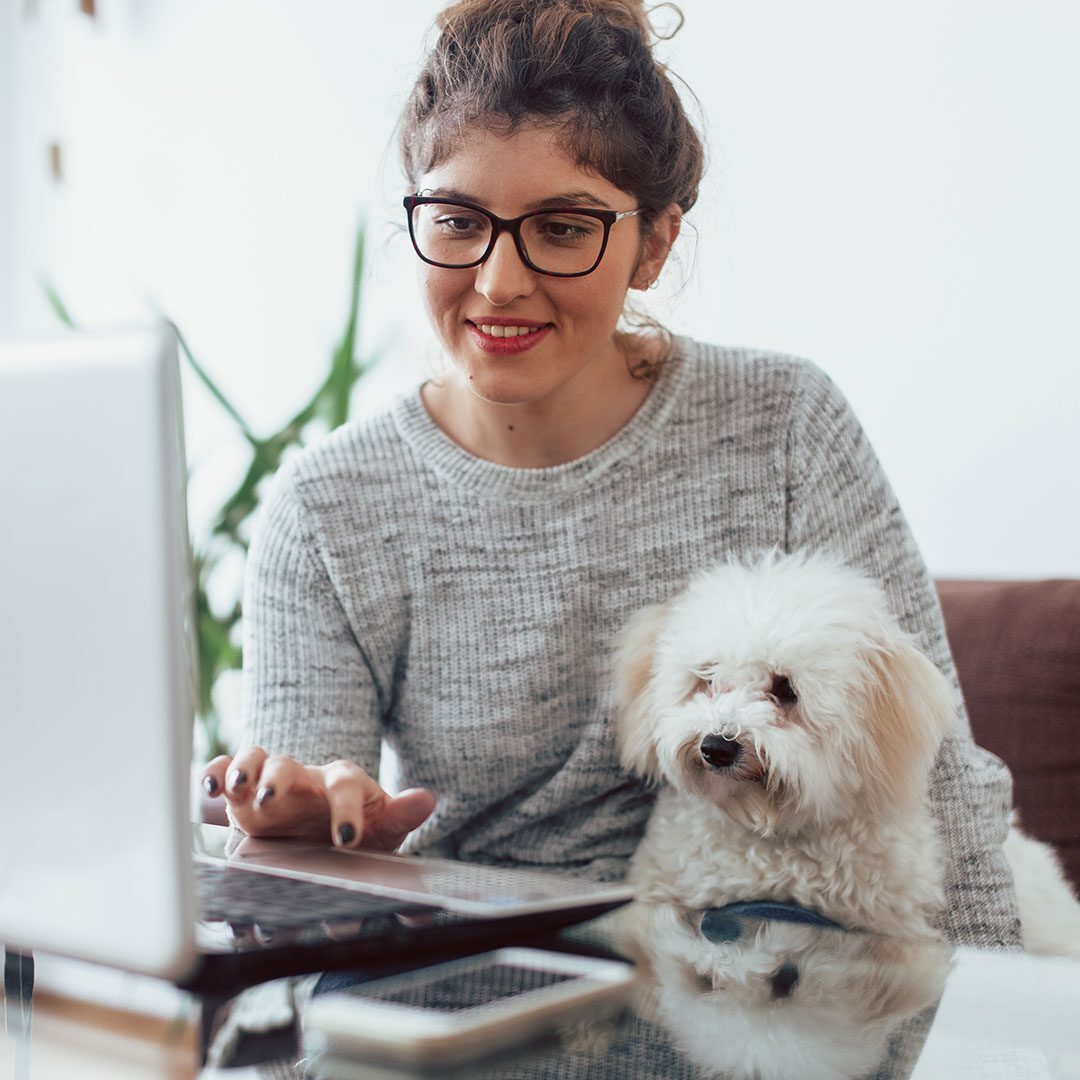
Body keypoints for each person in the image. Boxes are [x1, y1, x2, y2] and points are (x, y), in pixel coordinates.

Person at [202, 0, 1020, 985]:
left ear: (655, 243)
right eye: (457, 220)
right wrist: (317, 844)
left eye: (562, 227)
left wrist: (1001, 1037)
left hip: (764, 1000)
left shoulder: (785, 424)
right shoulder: (329, 507)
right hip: (464, 1002)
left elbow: (939, 779)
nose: (498, 281)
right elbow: (306, 879)